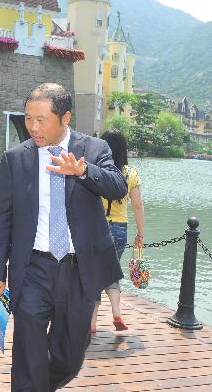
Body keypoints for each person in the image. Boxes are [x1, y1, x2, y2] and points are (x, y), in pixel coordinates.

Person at [0, 83, 127, 392]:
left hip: (80, 271)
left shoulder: (93, 149)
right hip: (33, 268)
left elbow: (118, 187)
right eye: (28, 119)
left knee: (70, 356)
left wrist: (84, 172)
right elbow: (2, 216)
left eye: (41, 120)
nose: (33, 127)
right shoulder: (15, 158)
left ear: (65, 118)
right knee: (28, 353)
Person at [91, 129, 145, 334]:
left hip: (97, 227)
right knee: (110, 271)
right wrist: (141, 234)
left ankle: (92, 324)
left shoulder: (96, 170)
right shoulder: (131, 173)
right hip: (120, 228)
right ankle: (116, 311)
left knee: (93, 273)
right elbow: (138, 205)